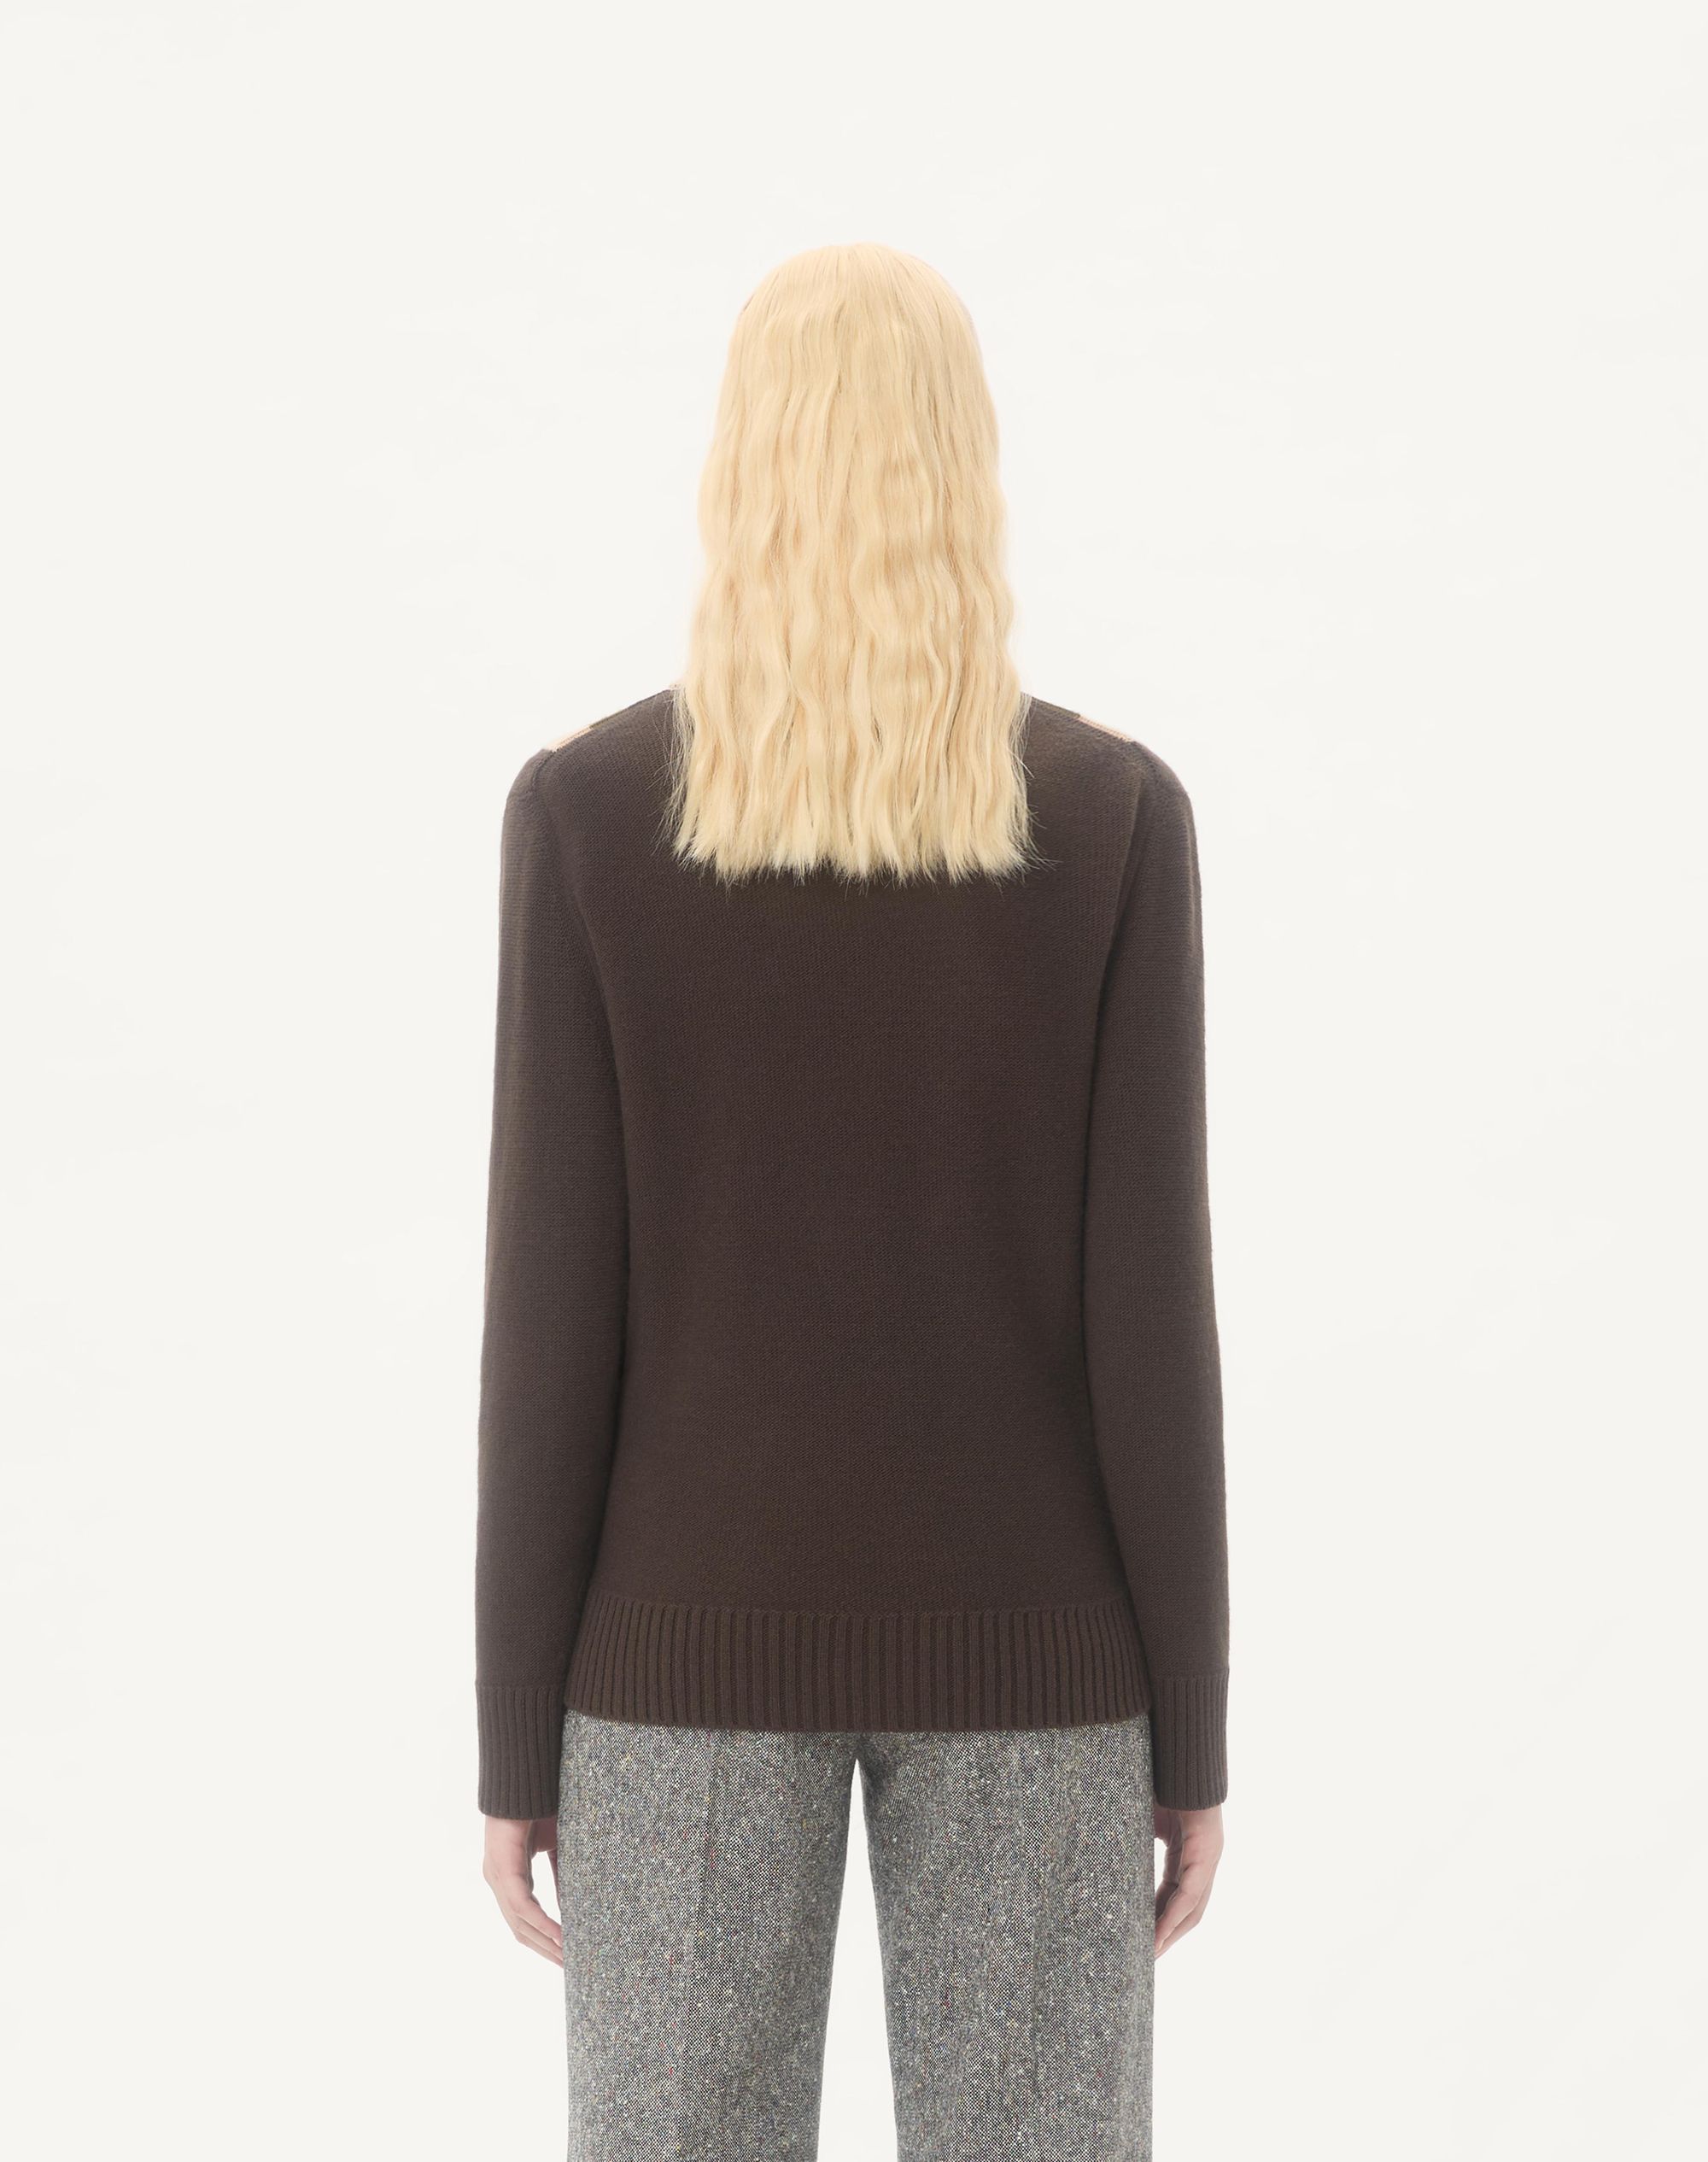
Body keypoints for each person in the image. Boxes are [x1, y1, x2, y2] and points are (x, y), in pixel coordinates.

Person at [474, 243, 1229, 2161]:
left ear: (740, 464)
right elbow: (1153, 1321)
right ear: (966, 463)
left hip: (677, 1668)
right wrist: (1190, 1729)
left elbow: (550, 1320)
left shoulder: (588, 815)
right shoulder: (1112, 820)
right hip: (1041, 1664)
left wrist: (516, 1732)